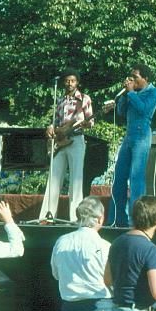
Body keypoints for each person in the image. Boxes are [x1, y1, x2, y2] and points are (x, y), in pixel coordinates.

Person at [105, 64, 156, 227]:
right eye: (131, 77)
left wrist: (131, 93)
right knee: (119, 177)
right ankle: (116, 218)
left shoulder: (153, 92)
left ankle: (135, 221)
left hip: (142, 135)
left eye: (135, 77)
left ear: (146, 78)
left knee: (136, 178)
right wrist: (123, 96)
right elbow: (122, 112)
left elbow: (144, 110)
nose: (132, 80)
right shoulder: (131, 94)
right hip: (129, 136)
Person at [51, 196, 113, 311]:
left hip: (71, 310)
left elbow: (56, 275)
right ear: (99, 219)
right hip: (99, 309)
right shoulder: (105, 246)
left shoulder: (61, 242)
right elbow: (112, 280)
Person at [40, 69, 95, 222]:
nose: (70, 83)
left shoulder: (84, 99)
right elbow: (56, 122)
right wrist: (50, 127)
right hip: (60, 142)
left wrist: (82, 123)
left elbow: (90, 123)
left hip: (76, 140)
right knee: (53, 179)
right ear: (64, 82)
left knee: (76, 181)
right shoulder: (60, 100)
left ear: (77, 82)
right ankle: (47, 217)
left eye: (73, 80)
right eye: (67, 81)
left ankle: (75, 219)